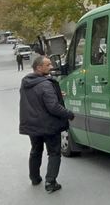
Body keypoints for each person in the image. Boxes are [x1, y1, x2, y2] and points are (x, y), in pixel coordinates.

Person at [19, 56, 75, 193]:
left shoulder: (26, 82)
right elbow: (53, 107)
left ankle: (34, 178)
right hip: (49, 125)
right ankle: (51, 182)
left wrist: (56, 94)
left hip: (33, 124)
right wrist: (69, 114)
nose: (51, 67)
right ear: (39, 67)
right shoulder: (46, 84)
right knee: (54, 153)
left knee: (35, 150)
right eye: (48, 65)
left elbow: (36, 98)